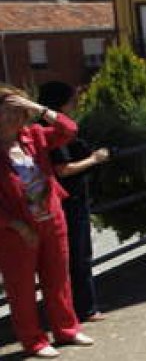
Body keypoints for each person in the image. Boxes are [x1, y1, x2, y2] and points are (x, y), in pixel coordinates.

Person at [0, 86, 94, 358]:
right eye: (9, 111)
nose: (17, 117)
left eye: (20, 110)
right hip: (16, 230)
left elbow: (69, 130)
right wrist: (15, 225)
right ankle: (34, 341)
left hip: (51, 217)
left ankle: (67, 329)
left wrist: (40, 109)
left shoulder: (34, 135)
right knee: (22, 288)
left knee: (58, 278)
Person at [42, 81, 108, 324]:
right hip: (69, 200)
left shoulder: (46, 128)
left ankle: (79, 309)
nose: (75, 105)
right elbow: (63, 169)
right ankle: (84, 309)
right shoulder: (51, 131)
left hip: (69, 198)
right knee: (77, 256)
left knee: (75, 257)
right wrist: (94, 159)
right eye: (72, 101)